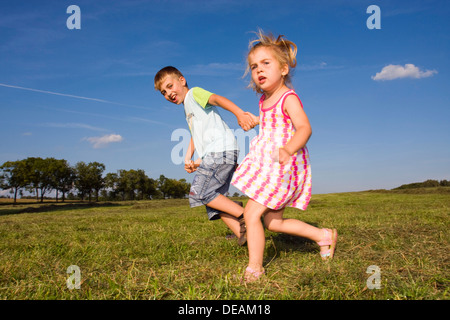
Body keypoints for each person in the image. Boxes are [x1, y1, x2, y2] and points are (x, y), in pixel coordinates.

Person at [231, 30, 337, 282]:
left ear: (284, 69)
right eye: (254, 66)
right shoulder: (263, 100)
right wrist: (258, 121)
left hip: (283, 165)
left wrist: (288, 149)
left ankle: (255, 267)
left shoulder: (288, 98)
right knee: (273, 222)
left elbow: (304, 128)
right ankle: (323, 236)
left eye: (266, 64)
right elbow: (273, 126)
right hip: (268, 165)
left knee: (252, 213)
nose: (259, 70)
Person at [154, 66, 258, 246]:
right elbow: (196, 135)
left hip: (221, 150)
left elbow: (216, 99)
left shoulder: (194, 94)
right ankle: (246, 235)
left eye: (170, 86)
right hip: (216, 152)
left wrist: (239, 113)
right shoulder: (188, 108)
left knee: (200, 192)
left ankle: (246, 217)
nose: (168, 93)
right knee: (214, 201)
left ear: (182, 80)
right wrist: (190, 159)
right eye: (164, 92)